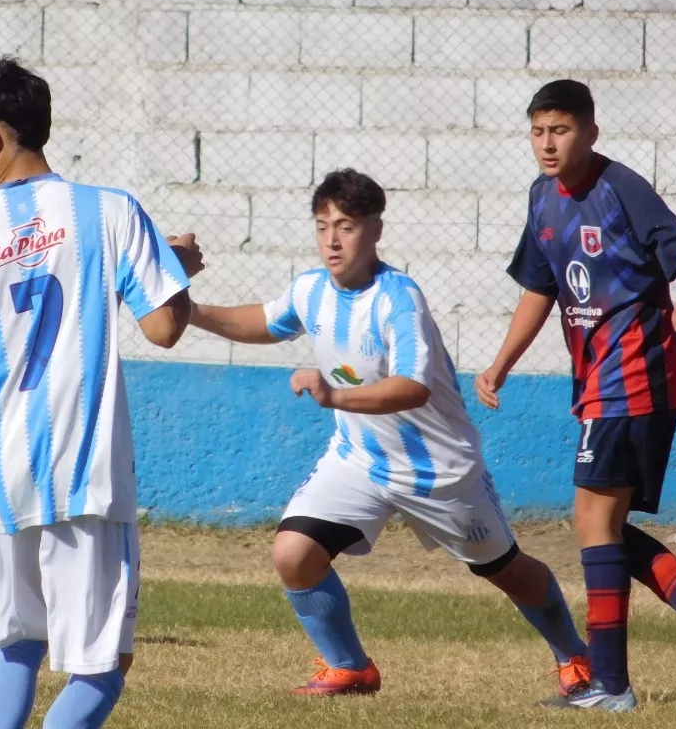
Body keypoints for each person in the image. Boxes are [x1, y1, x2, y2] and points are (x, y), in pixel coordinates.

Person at [188, 169, 590, 699]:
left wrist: (334, 397)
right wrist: (189, 310)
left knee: (506, 571)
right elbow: (264, 321)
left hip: (437, 469)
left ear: (375, 230)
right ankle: (349, 667)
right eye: (322, 225)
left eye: (347, 226)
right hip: (358, 458)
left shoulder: (399, 298)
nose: (332, 239)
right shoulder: (310, 289)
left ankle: (577, 659)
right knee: (292, 552)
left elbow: (412, 388)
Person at [0, 58, 203, 729]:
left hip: (1, 470)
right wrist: (177, 270)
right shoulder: (107, 212)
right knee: (102, 665)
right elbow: (164, 327)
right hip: (84, 471)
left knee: (18, 639)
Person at [476, 79, 676, 711]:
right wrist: (500, 364)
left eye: (562, 130)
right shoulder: (542, 198)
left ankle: (611, 685)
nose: (548, 144)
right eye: (538, 131)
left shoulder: (619, 187)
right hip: (599, 383)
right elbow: (540, 288)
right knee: (598, 525)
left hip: (635, 374)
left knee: (593, 522)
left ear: (590, 133)